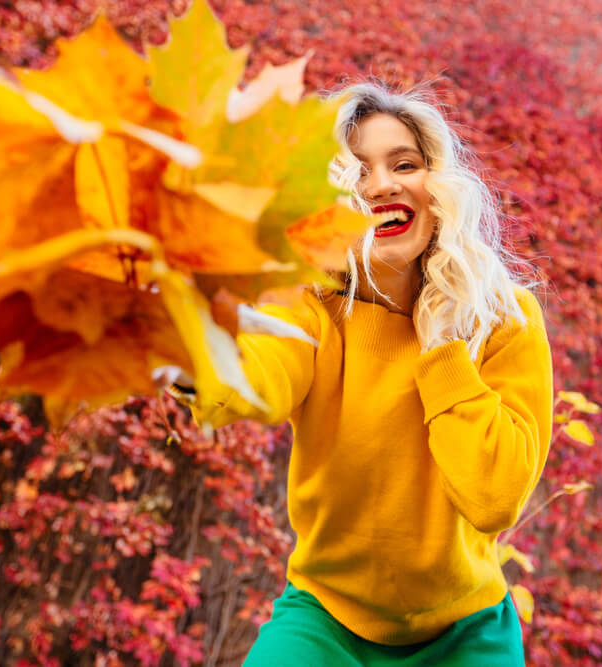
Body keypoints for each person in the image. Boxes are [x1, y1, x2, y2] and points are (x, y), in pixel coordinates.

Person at [171, 82, 553, 666]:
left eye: (405, 164)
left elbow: (495, 496)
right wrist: (190, 350)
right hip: (326, 620)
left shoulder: (503, 317)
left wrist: (443, 343)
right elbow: (262, 372)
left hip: (466, 629)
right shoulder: (311, 306)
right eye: (356, 173)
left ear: (440, 187)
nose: (381, 185)